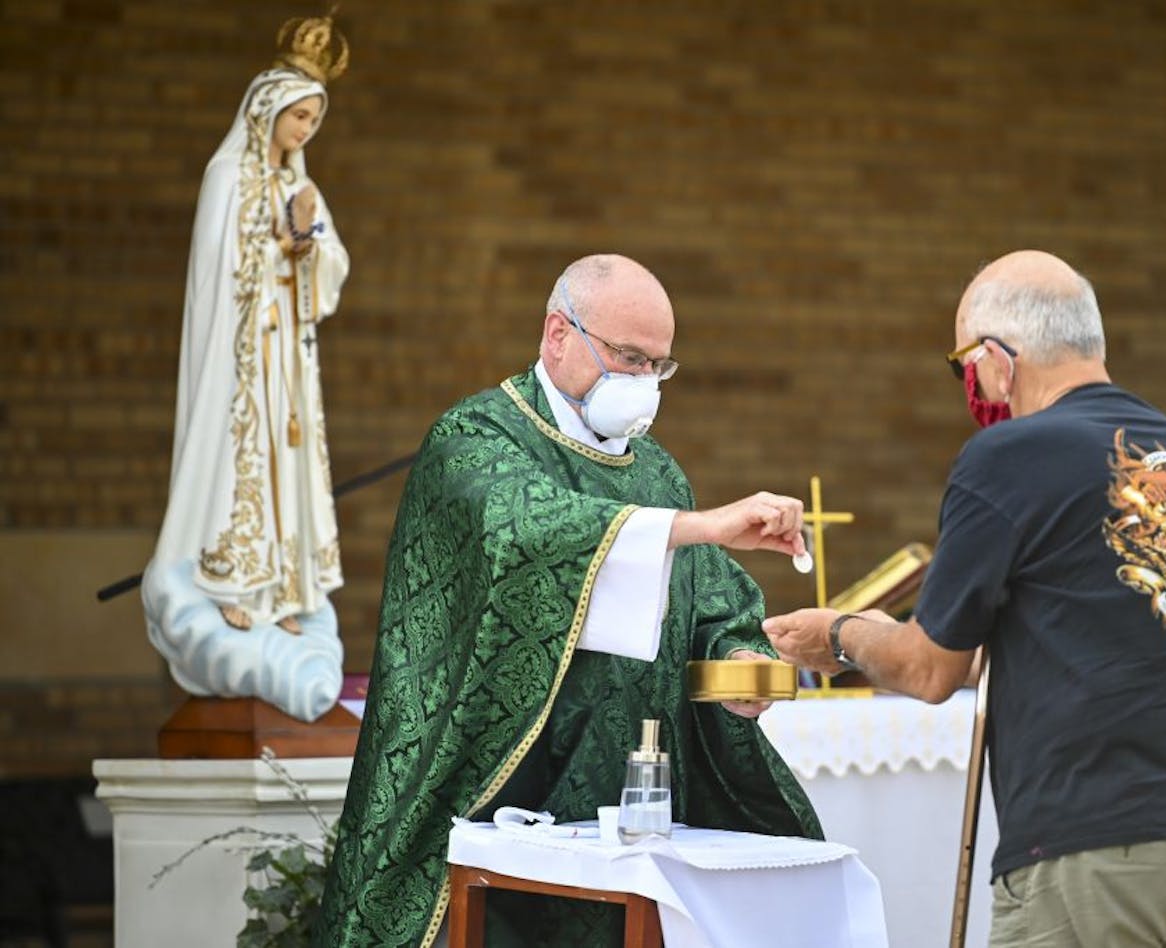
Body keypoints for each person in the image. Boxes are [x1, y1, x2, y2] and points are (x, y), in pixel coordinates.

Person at [766, 250, 1166, 946]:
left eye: (962, 365)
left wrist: (840, 634)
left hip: (1101, 851)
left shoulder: (1010, 455)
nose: (970, 383)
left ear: (996, 358)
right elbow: (1099, 642)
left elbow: (929, 670)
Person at [316, 254, 822, 947]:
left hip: (626, 796)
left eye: (659, 366)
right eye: (628, 357)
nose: (643, 381)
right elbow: (528, 531)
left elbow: (703, 597)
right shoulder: (473, 439)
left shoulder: (656, 471)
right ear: (559, 333)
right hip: (497, 789)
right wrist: (706, 526)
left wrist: (734, 661)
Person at [140, 19, 351, 722]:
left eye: (314, 120)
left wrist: (308, 240)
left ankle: (283, 598)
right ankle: (231, 591)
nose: (304, 131)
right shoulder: (228, 176)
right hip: (241, 364)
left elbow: (328, 273)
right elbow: (222, 274)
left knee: (288, 475)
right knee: (240, 473)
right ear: (267, 109)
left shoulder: (300, 182)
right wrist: (279, 244)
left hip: (287, 363)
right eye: (299, 115)